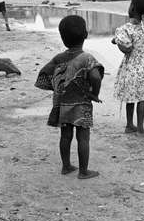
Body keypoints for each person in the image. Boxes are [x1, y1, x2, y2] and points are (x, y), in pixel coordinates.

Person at [35, 15, 104, 180]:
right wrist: (95, 93)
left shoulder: (58, 58)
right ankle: (83, 171)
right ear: (85, 34)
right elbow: (95, 76)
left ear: (62, 37)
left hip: (62, 103)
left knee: (65, 136)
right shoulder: (87, 58)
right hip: (81, 104)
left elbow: (44, 74)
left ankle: (66, 166)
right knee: (83, 137)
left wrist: (57, 89)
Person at [111, 0, 144, 136]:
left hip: (132, 68)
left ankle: (130, 125)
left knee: (131, 97)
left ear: (132, 8)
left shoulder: (125, 29)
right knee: (141, 99)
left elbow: (126, 48)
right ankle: (140, 128)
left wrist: (117, 42)